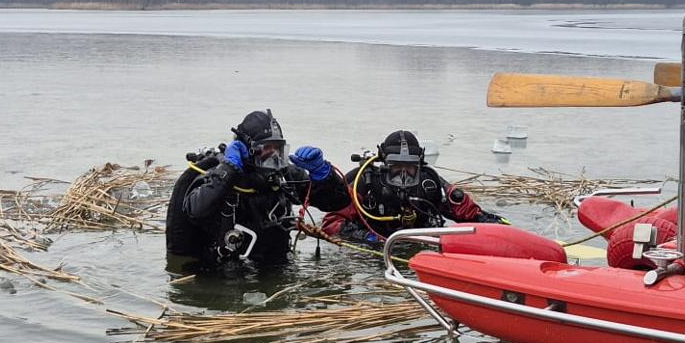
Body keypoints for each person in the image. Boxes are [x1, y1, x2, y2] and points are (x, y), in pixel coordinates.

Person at [165, 110, 350, 271]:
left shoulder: (284, 175)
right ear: (246, 148)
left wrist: (324, 175)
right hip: (220, 271)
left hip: (274, 266)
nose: (273, 154)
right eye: (266, 148)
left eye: (277, 148)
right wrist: (229, 170)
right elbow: (196, 210)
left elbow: (338, 203)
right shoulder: (219, 175)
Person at [321, 130, 506, 245]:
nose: (403, 175)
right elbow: (332, 221)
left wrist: (499, 227)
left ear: (419, 165)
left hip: (420, 243)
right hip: (373, 246)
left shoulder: (429, 182)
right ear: (385, 164)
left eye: (409, 168)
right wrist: (367, 239)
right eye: (396, 168)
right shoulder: (367, 183)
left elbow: (468, 213)